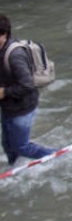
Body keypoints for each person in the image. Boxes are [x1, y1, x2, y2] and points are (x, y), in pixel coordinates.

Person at [0, 14, 56, 167]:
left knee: (21, 146)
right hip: (8, 106)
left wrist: (4, 92)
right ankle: (14, 170)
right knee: (7, 144)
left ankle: (56, 156)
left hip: (22, 107)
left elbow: (27, 85)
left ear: (4, 34)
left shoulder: (15, 56)